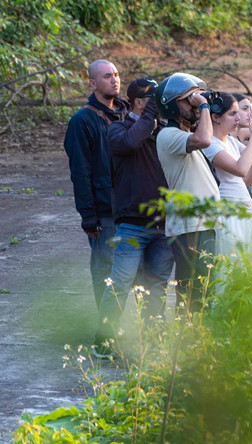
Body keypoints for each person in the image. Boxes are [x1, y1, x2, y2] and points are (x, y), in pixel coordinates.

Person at [92, 78, 174, 357]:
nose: (159, 105)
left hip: (163, 225)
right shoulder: (119, 128)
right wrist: (150, 115)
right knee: (120, 284)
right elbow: (129, 143)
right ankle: (103, 340)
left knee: (157, 285)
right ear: (139, 101)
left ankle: (152, 338)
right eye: (153, 100)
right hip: (131, 226)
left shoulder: (163, 131)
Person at [63, 59, 128, 314]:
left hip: (130, 208)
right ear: (92, 83)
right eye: (106, 76)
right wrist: (88, 215)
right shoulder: (82, 121)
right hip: (105, 212)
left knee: (132, 276)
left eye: (116, 74)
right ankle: (105, 337)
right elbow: (80, 171)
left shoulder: (126, 114)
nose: (114, 79)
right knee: (106, 275)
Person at [154, 73, 218, 311]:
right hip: (189, 225)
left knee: (206, 292)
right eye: (187, 99)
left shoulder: (183, 135)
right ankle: (187, 343)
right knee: (193, 293)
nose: (193, 103)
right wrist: (202, 105)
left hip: (202, 224)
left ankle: (200, 342)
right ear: (171, 105)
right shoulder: (168, 135)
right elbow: (204, 139)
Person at [203, 92, 252, 257]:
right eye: (232, 113)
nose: (238, 118)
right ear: (216, 117)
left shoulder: (231, 141)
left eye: (238, 113)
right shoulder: (210, 144)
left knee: (248, 267)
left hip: (244, 212)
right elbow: (241, 169)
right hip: (228, 213)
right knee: (231, 267)